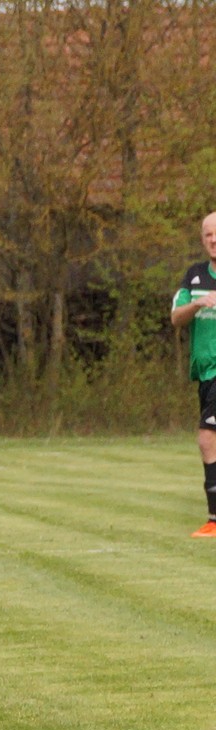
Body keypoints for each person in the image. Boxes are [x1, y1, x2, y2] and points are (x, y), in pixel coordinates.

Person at [169, 210, 216, 538]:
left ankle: (214, 520)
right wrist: (198, 305)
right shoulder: (195, 276)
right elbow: (175, 317)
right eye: (208, 235)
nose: (213, 240)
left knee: (207, 438)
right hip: (205, 375)